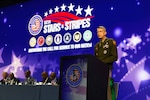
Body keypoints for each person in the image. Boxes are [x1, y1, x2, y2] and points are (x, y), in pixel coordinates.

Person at [94, 26, 118, 100]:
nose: (98, 33)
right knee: (99, 89)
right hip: (98, 71)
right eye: (97, 32)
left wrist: (102, 62)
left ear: (105, 33)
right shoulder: (97, 46)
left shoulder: (111, 42)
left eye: (100, 31)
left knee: (107, 89)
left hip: (107, 69)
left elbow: (114, 57)